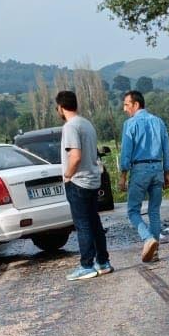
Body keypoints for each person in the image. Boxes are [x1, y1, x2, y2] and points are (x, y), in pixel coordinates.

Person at [57, 89, 112, 281]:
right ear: (75, 104)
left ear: (60, 108)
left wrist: (67, 175)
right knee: (94, 222)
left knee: (83, 225)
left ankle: (86, 265)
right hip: (92, 180)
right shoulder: (86, 123)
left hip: (78, 181)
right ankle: (103, 262)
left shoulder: (70, 127)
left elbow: (75, 155)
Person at [119, 89, 169, 262]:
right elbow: (166, 149)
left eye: (126, 105)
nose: (125, 109)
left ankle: (148, 238)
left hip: (140, 170)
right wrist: (167, 173)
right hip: (157, 169)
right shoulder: (158, 122)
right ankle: (155, 253)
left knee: (133, 210)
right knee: (154, 211)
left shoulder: (131, 124)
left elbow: (126, 152)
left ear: (136, 104)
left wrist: (123, 176)